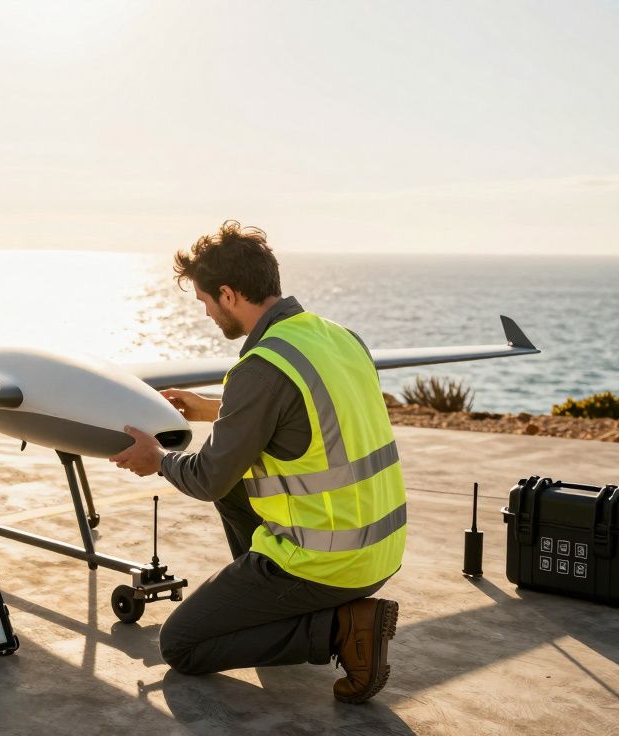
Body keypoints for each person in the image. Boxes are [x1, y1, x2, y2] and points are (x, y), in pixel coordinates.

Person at [108, 222, 406, 704]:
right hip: (381, 549)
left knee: (182, 644)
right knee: (235, 485)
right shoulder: (339, 337)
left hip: (325, 563)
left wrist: (157, 459)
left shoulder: (260, 367)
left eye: (205, 301)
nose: (206, 312)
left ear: (227, 294)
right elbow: (296, 411)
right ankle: (280, 607)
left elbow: (205, 478)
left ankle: (340, 628)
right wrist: (211, 407)